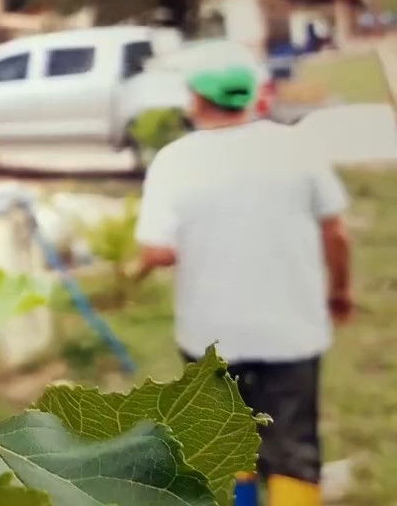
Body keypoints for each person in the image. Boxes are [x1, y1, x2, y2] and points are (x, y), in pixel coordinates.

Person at [136, 64, 352, 506]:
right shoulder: (297, 146)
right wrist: (340, 292)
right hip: (292, 331)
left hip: (210, 335)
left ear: (197, 102)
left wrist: (136, 271)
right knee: (293, 447)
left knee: (227, 443)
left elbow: (157, 251)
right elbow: (336, 233)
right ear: (251, 99)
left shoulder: (175, 160)